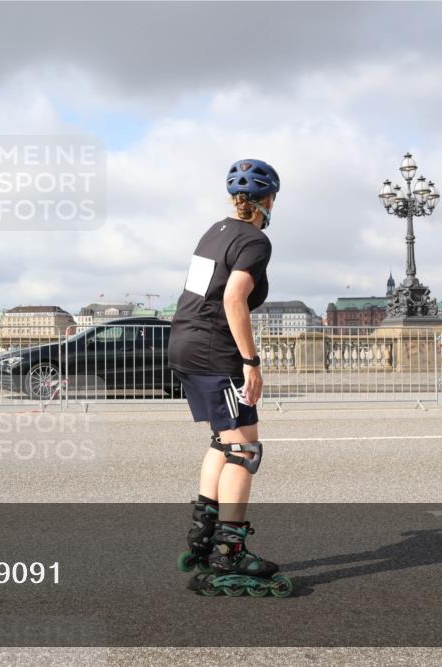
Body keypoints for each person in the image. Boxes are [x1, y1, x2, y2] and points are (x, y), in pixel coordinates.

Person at [168, 159, 291, 596]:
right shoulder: (255, 240)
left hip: (184, 342)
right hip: (215, 351)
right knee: (245, 448)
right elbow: (234, 299)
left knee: (223, 440)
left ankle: (204, 535)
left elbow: (201, 290)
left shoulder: (214, 232)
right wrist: (251, 362)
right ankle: (230, 550)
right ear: (269, 200)